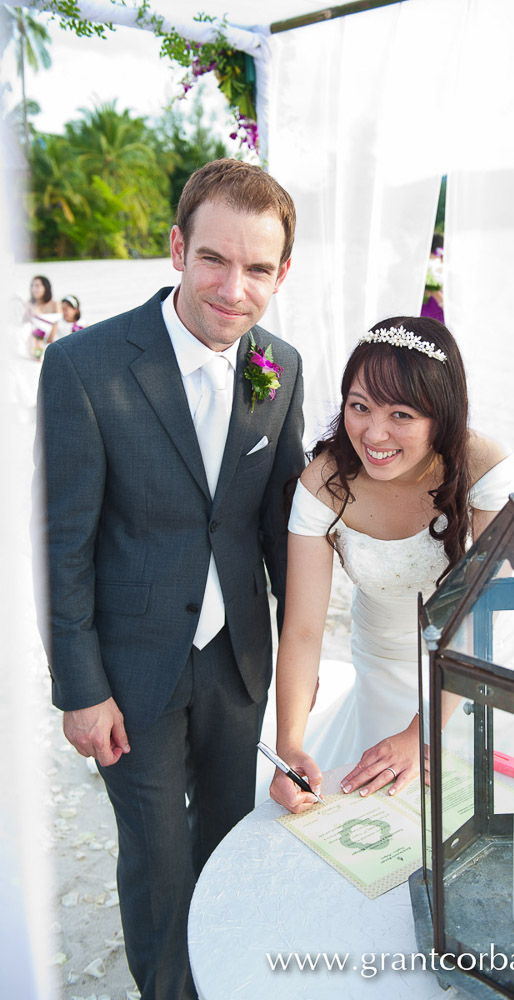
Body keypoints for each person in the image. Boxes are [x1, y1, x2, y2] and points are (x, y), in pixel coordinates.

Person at [34, 158, 305, 1000]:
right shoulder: (85, 367)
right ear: (178, 248)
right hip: (130, 674)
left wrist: (292, 676)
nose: (234, 288)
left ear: (281, 274)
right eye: (215, 260)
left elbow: (276, 530)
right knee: (157, 858)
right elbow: (62, 544)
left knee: (229, 842)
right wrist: (79, 689)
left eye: (258, 268)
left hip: (237, 665)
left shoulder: (281, 365)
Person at [270, 317, 514, 813]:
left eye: (401, 415)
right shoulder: (322, 486)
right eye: (359, 407)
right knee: (383, 818)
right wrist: (289, 747)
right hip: (384, 661)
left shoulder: (484, 467)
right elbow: (301, 630)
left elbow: (483, 616)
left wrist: (420, 732)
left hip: (485, 661)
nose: (374, 433)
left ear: (442, 417)